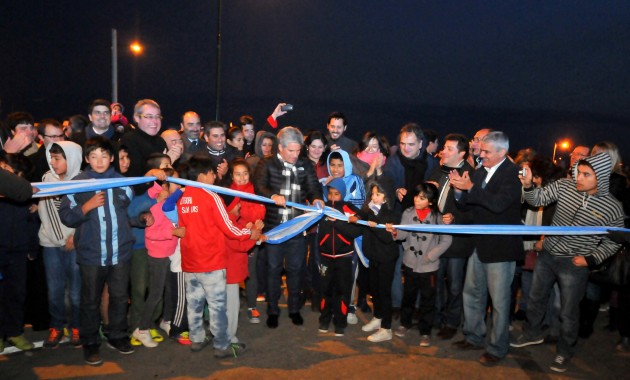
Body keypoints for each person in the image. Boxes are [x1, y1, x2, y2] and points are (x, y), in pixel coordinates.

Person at [511, 152, 624, 373]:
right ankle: (532, 333)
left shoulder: (612, 207)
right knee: (535, 298)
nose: (578, 177)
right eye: (578, 172)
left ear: (600, 176)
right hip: (548, 255)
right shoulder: (564, 186)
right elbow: (537, 200)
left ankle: (564, 350)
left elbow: (614, 242)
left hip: (574, 264)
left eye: (585, 174)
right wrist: (527, 187)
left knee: (567, 311)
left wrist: (590, 259)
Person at [59, 136, 136, 365]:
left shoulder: (123, 182)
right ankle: (90, 342)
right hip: (91, 254)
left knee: (120, 297)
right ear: (86, 159)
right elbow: (66, 215)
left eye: (104, 155)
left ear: (112, 158)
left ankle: (118, 335)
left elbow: (129, 213)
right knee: (90, 300)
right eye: (93, 156)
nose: (99, 160)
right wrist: (86, 207)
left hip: (120, 252)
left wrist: (143, 217)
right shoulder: (77, 183)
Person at [449, 131, 523, 365]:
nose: (481, 155)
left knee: (499, 303)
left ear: (503, 152)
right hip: (479, 245)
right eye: (481, 150)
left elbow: (498, 205)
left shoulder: (513, 174)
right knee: (472, 293)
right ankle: (473, 336)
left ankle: (498, 347)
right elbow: (470, 207)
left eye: (487, 152)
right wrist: (460, 192)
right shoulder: (480, 171)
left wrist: (470, 189)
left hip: (501, 249)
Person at [177, 155, 260, 358]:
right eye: (213, 173)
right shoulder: (211, 196)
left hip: (190, 260)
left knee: (195, 304)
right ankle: (221, 345)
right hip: (211, 260)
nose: (215, 177)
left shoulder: (182, 197)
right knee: (217, 306)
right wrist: (250, 234)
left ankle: (196, 339)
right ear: (204, 175)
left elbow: (180, 228)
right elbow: (229, 228)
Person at [253, 126, 324, 329]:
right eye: (290, 151)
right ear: (280, 147)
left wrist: (317, 199)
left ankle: (294, 309)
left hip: (296, 227)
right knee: (273, 269)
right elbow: (259, 186)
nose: (295, 155)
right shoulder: (267, 163)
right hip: (274, 227)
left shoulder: (305, 165)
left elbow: (313, 186)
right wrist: (272, 196)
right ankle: (273, 310)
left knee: (296, 269)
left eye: (297, 150)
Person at [388, 183, 452, 347]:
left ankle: (425, 331)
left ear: (431, 201)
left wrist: (431, 256)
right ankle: (405, 323)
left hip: (429, 267)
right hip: (409, 263)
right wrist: (395, 232)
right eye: (416, 196)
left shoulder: (438, 217)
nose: (417, 200)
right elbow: (403, 233)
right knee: (408, 296)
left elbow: (447, 240)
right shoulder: (408, 213)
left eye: (422, 198)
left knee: (427, 300)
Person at [428, 133, 474, 340]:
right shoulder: (439, 169)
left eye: (449, 149)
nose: (443, 151)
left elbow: (475, 210)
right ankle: (436, 317)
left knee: (455, 284)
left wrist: (455, 218)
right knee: (436, 280)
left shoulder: (471, 174)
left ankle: (452, 321)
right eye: (444, 147)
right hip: (436, 237)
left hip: (457, 241)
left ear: (462, 153)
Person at [38, 141, 83, 349]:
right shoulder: (46, 179)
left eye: (57, 159)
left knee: (75, 290)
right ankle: (56, 326)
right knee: (54, 289)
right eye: (51, 158)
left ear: (71, 159)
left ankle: (76, 326)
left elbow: (87, 211)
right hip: (50, 243)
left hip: (73, 243)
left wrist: (76, 235)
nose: (53, 163)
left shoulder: (82, 181)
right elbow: (44, 211)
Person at [132, 169, 181, 348]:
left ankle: (166, 319)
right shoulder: (156, 204)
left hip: (169, 251)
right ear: (165, 186)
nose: (180, 186)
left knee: (169, 290)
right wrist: (173, 232)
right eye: (175, 183)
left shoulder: (170, 202)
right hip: (158, 254)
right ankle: (142, 329)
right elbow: (151, 232)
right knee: (155, 293)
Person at [349, 181, 400, 342]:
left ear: (386, 197)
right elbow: (361, 215)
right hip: (373, 255)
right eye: (373, 194)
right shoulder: (370, 207)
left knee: (384, 291)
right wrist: (356, 217)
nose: (374, 197)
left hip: (386, 257)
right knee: (375, 289)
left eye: (378, 194)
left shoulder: (391, 212)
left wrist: (375, 225)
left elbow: (388, 238)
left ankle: (386, 327)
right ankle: (377, 316)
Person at [0, 154, 38, 352]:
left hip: (19, 251)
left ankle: (15, 332)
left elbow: (31, 224)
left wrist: (32, 248)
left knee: (17, 293)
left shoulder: (24, 194)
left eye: (8, 170)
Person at [317, 178, 362, 336]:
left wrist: (338, 222)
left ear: (342, 194)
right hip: (325, 256)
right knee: (325, 290)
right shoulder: (322, 208)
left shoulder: (349, 208)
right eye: (330, 193)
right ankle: (324, 320)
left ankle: (340, 322)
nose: (333, 197)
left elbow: (357, 230)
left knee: (342, 290)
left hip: (344, 257)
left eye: (336, 194)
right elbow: (316, 227)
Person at [228, 159, 266, 325]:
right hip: (234, 238)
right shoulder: (227, 192)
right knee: (232, 273)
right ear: (232, 175)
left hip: (252, 237)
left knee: (251, 271)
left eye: (245, 174)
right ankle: (230, 307)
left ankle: (252, 306)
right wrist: (245, 222)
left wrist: (255, 222)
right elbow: (228, 215)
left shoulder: (255, 189)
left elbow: (261, 209)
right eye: (238, 174)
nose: (242, 178)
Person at [121, 99, 167, 178]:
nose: (155, 121)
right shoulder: (129, 140)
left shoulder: (161, 142)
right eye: (149, 117)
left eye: (157, 117)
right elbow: (133, 175)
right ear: (137, 118)